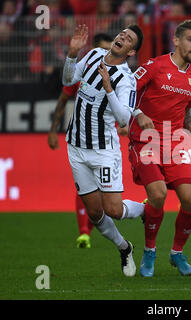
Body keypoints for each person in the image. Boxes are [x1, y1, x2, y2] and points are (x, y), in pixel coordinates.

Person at [129, 19, 191, 277]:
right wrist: (137, 114)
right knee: (158, 195)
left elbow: (186, 113)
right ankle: (149, 251)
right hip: (145, 138)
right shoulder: (154, 65)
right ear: (177, 40)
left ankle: (177, 253)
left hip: (174, 140)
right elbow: (125, 90)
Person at [62, 24, 153, 277]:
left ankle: (146, 210)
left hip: (103, 150)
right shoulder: (92, 55)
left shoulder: (126, 79)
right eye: (122, 33)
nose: (122, 36)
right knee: (94, 212)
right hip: (76, 146)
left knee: (112, 209)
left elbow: (124, 118)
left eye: (129, 38)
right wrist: (71, 55)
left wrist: (108, 87)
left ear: (131, 51)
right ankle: (124, 248)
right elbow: (68, 80)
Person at [48, 33, 113, 249]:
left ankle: (90, 229)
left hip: (105, 141)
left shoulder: (116, 73)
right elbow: (64, 97)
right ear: (94, 51)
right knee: (85, 189)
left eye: (110, 49)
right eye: (103, 50)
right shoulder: (82, 72)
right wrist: (52, 130)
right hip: (82, 140)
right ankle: (84, 232)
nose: (107, 54)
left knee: (105, 194)